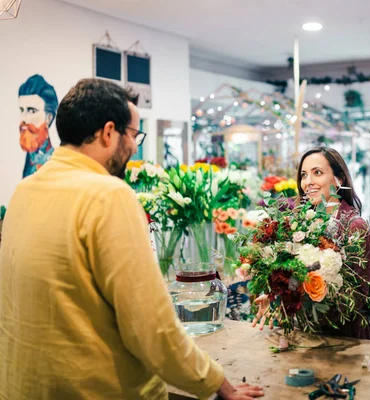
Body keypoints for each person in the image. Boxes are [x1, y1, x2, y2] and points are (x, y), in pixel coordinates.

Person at [0, 78, 263, 400]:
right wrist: (218, 384)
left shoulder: (25, 190)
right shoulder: (108, 195)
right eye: (134, 134)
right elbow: (153, 328)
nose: (135, 146)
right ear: (109, 132)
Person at [253, 146, 370, 340]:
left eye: (317, 173)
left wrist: (294, 305)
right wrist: (275, 298)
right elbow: (290, 277)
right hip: (302, 336)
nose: (308, 182)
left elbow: (354, 302)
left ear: (339, 179)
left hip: (344, 342)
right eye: (303, 175)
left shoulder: (355, 228)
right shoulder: (297, 223)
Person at [18, 74, 58, 178]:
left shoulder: (55, 165)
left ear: (48, 118)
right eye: (22, 110)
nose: (24, 119)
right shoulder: (29, 158)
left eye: (32, 111)